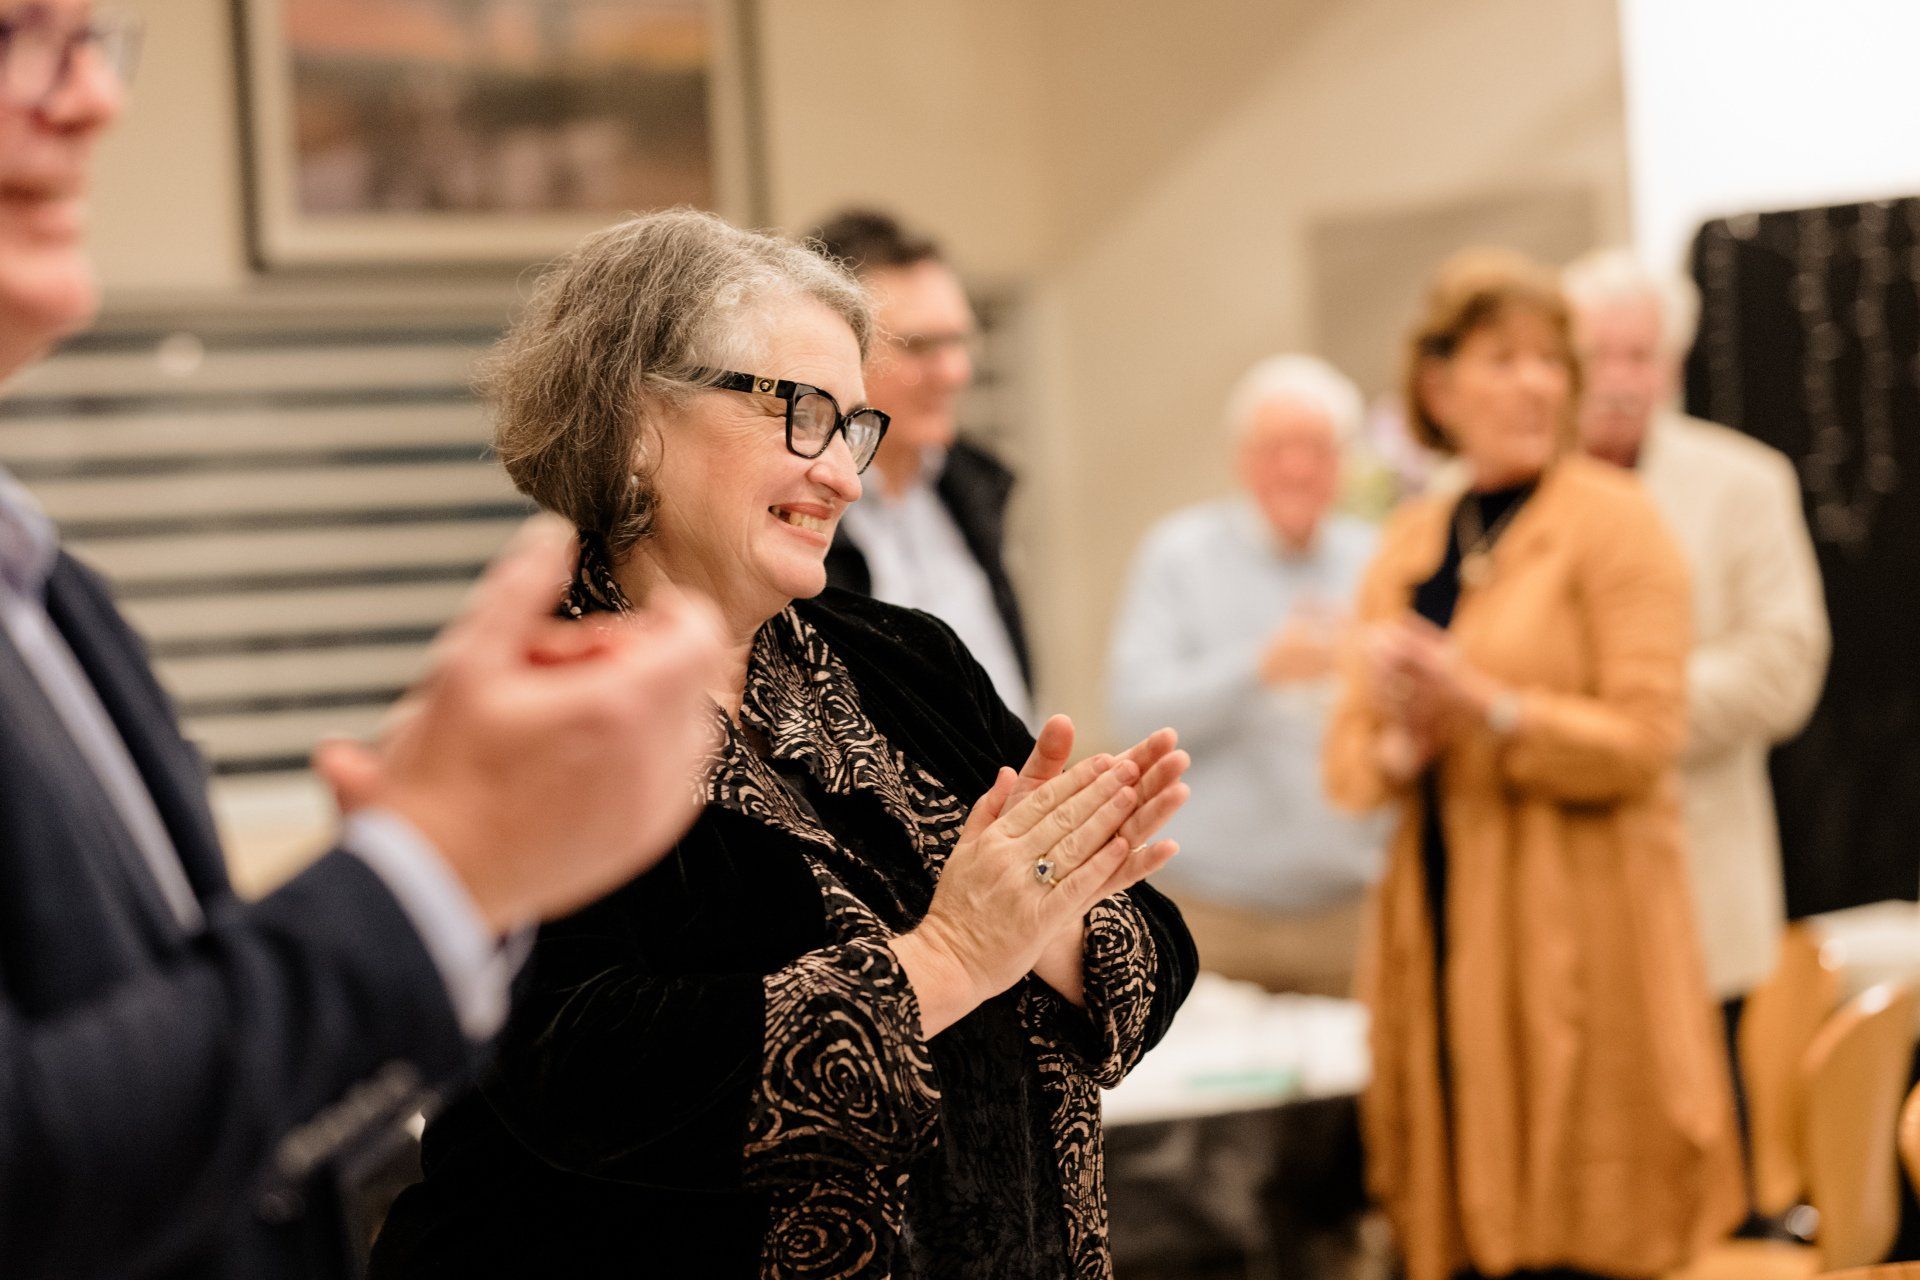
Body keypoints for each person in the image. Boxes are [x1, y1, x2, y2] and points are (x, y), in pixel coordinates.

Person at [0, 6, 726, 1279]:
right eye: (12, 34)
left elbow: (171, 1083)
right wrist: (435, 868)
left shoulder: (51, 587)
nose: (92, 99)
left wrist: (439, 857)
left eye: (89, 38)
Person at [370, 209, 1197, 1280]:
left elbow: (1155, 949)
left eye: (855, 427)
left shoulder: (910, 661)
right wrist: (948, 958)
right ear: (634, 418)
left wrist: (1042, 917)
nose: (844, 477)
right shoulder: (531, 700)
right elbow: (571, 1074)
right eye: (801, 414)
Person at [1323, 249, 1745, 1280]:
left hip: (1585, 936)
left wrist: (1490, 707)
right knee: (1452, 1220)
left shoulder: (1617, 522)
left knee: (1587, 1216)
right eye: (1503, 359)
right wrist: (1401, 736)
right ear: (1438, 386)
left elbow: (1646, 739)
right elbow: (1347, 761)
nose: (1540, 384)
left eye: (1551, 360)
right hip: (1440, 935)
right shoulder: (1412, 539)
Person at [1564, 248, 1829, 1025]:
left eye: (1638, 356)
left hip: (1701, 897)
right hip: (1553, 917)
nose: (1616, 378)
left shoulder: (1744, 485)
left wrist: (1614, 714)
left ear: (1673, 366)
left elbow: (1783, 668)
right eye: (1595, 355)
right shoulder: (1495, 494)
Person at [1108, 354, 1387, 996]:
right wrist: (1259, 669)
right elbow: (1135, 713)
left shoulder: (1376, 560)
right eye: (1276, 449)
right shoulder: (1178, 555)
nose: (1297, 468)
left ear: (1344, 462)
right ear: (1242, 458)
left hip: (1351, 913)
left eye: (1316, 449)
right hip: (1210, 912)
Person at [809, 209, 1034, 723]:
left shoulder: (974, 484)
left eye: (959, 340)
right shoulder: (796, 504)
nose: (956, 372)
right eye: (921, 346)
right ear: (838, 348)